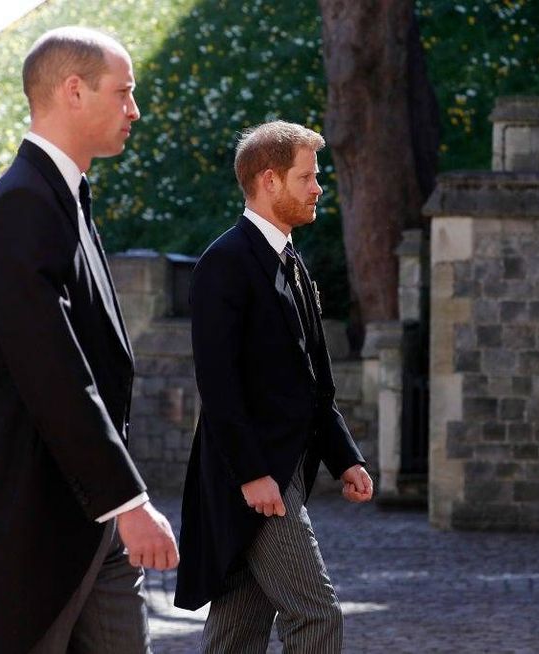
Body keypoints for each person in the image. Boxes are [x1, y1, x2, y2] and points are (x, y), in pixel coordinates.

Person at [0, 26, 178, 654]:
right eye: (124, 92)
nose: (134, 110)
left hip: (90, 514)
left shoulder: (64, 195)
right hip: (37, 517)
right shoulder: (22, 204)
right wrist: (127, 500)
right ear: (74, 91)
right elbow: (51, 369)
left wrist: (118, 502)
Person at [174, 120, 374, 653]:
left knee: (237, 630)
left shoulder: (293, 262)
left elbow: (314, 383)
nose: (317, 189)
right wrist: (252, 473)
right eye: (307, 177)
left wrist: (345, 458)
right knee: (317, 615)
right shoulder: (224, 263)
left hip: (284, 471)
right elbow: (218, 383)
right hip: (257, 478)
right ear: (269, 180)